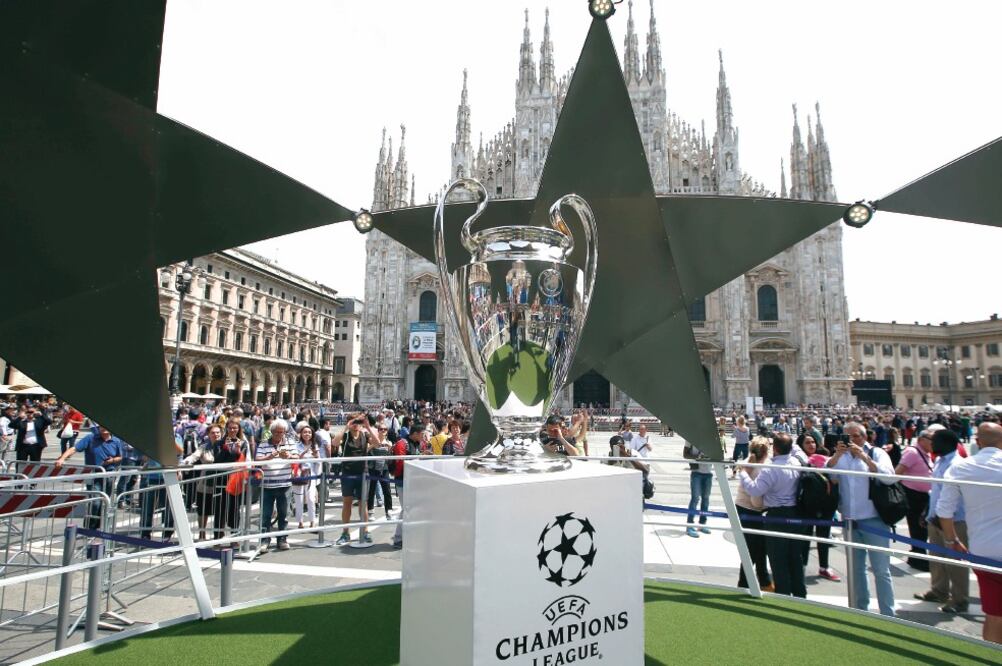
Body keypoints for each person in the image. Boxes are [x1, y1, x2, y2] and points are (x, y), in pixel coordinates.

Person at [937, 422, 1002, 643]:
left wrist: (951, 539)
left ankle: (989, 656)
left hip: (983, 548)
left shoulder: (961, 467)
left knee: (994, 614)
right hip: (987, 547)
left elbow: (944, 510)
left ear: (977, 441)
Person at [827, 421, 897, 616]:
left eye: (855, 436)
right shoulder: (841, 456)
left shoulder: (877, 453)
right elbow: (829, 475)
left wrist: (865, 458)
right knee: (856, 569)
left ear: (865, 437)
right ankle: (860, 610)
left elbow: (889, 477)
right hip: (849, 520)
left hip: (874, 519)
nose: (851, 440)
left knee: (881, 569)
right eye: (846, 437)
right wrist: (836, 455)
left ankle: (888, 614)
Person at [738, 433, 806, 598]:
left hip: (775, 515)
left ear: (774, 448)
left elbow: (755, 490)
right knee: (794, 557)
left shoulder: (770, 469)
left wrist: (743, 473)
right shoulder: (796, 462)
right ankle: (800, 594)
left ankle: (782, 594)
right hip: (793, 513)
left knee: (778, 559)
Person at [914, 429, 970, 613]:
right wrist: (927, 511)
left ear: (946, 443)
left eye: (934, 441)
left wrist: (942, 515)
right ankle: (939, 590)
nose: (931, 444)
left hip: (953, 520)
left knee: (956, 562)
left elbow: (958, 496)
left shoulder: (958, 464)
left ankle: (960, 599)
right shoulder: (939, 461)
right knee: (936, 558)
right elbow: (935, 490)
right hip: (935, 517)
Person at [55, 425, 124, 528]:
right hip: (93, 475)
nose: (103, 428)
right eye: (101, 426)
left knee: (104, 501)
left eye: (106, 426)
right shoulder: (90, 438)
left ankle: (98, 526)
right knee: (95, 502)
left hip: (109, 475)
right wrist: (62, 458)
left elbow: (120, 457)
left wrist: (113, 460)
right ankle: (90, 527)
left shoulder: (116, 441)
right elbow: (74, 448)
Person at [800, 435, 841, 582]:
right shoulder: (799, 459)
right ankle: (802, 566)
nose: (811, 445)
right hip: (807, 505)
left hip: (825, 503)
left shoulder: (824, 456)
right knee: (805, 537)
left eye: (813, 442)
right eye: (807, 442)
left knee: (823, 536)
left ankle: (824, 567)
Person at [734, 437, 773, 591]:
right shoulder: (760, 468)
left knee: (758, 547)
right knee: (754, 549)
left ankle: (763, 580)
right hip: (753, 510)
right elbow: (756, 500)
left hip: (742, 507)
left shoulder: (749, 462)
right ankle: (745, 582)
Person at [255, 419, 296, 553]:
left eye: (281, 432)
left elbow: (297, 457)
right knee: (265, 515)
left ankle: (282, 539)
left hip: (285, 484)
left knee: (284, 514)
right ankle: (264, 540)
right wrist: (269, 457)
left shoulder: (290, 442)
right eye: (276, 432)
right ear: (271, 432)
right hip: (267, 485)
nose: (279, 434)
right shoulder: (263, 444)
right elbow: (257, 460)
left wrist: (289, 456)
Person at [895, 430, 934, 572]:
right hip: (913, 495)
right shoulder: (912, 452)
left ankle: (917, 556)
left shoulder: (925, 453)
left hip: (923, 495)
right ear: (921, 439)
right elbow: (897, 472)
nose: (933, 442)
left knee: (921, 528)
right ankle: (918, 558)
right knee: (918, 528)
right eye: (931, 439)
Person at [335, 414, 376, 546]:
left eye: (358, 422)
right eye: (353, 422)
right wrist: (345, 427)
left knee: (363, 503)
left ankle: (365, 531)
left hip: (362, 472)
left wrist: (368, 427)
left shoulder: (365, 435)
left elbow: (377, 443)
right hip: (347, 472)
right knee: (347, 502)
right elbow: (335, 443)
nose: (356, 424)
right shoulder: (346, 436)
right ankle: (345, 532)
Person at [391, 428, 426, 549]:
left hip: (413, 480)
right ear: (415, 434)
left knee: (412, 509)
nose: (423, 437)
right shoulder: (402, 443)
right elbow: (400, 463)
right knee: (406, 509)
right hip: (403, 481)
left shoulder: (417, 443)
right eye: (422, 434)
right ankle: (398, 538)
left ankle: (406, 536)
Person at [683, 440, 713, 538]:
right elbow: (685, 454)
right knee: (695, 498)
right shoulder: (690, 439)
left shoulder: (711, 438)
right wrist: (697, 457)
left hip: (708, 472)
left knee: (706, 499)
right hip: (696, 472)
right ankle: (690, 525)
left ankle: (702, 524)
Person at [293, 425, 320, 529]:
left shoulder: (315, 446)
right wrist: (303, 454)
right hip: (298, 473)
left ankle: (312, 521)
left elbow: (318, 462)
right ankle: (300, 522)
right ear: (301, 434)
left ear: (312, 434)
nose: (307, 434)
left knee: (311, 498)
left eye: (309, 432)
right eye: (305, 432)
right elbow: (294, 459)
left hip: (311, 474)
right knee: (298, 498)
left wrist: (316, 456)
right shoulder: (296, 445)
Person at [365, 424, 394, 521]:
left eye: (385, 429)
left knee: (387, 490)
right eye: (381, 429)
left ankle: (389, 511)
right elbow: (365, 451)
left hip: (384, 468)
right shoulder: (373, 441)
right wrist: (373, 445)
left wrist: (390, 448)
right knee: (372, 490)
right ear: (378, 431)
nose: (383, 431)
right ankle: (370, 511)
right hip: (373, 468)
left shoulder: (389, 442)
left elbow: (390, 457)